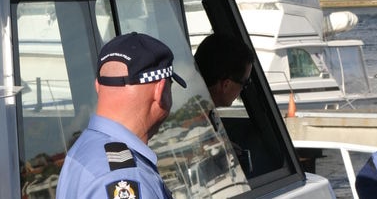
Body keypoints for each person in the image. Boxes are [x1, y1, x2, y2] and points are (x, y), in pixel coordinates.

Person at [56, 32, 187, 199]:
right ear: (160, 90)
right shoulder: (127, 178)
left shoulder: (83, 150)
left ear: (98, 86)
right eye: (171, 84)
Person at [194, 33, 254, 108]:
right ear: (226, 85)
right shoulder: (199, 115)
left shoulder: (188, 105)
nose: (242, 89)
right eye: (245, 83)